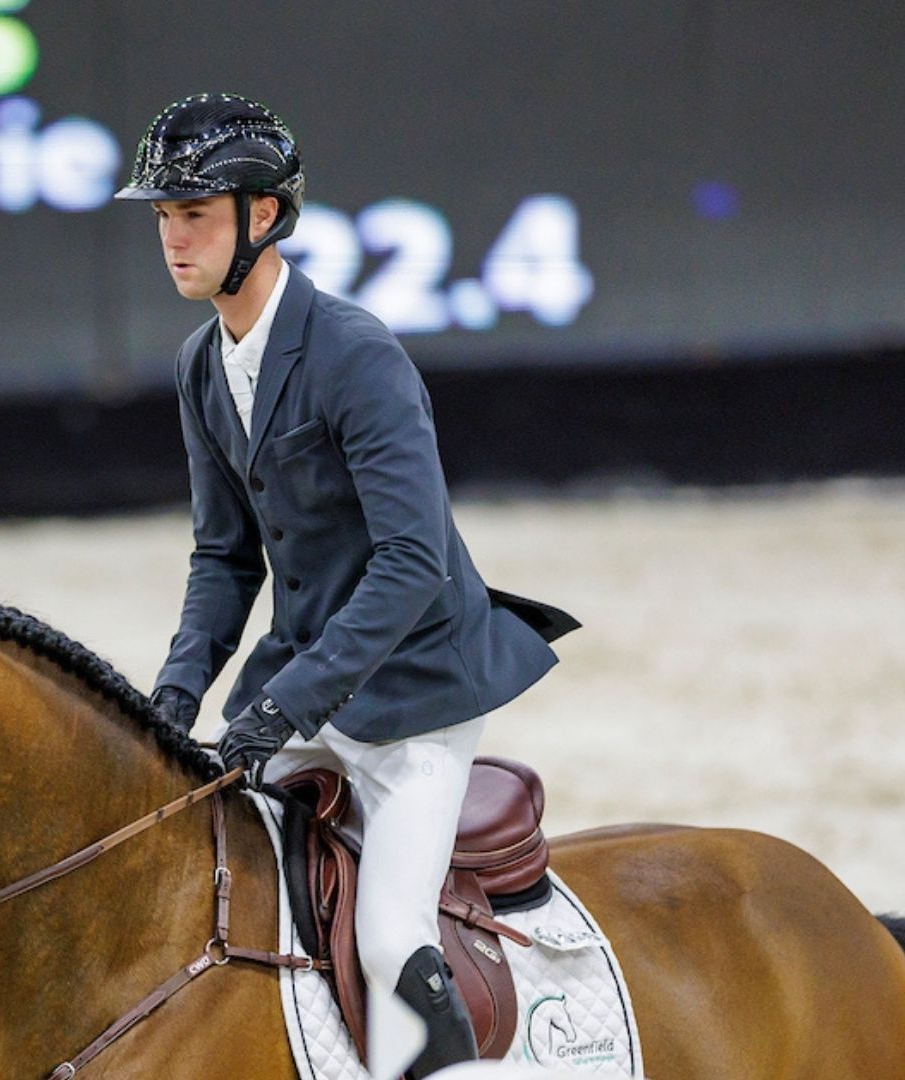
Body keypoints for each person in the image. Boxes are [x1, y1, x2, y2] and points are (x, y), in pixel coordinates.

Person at [114, 93, 576, 1077]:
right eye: (163, 218)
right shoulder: (204, 365)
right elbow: (224, 559)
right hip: (307, 683)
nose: (173, 239)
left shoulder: (357, 355)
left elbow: (412, 562)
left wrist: (284, 705)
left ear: (264, 218)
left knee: (387, 936)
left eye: (193, 215)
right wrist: (171, 698)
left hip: (417, 689)